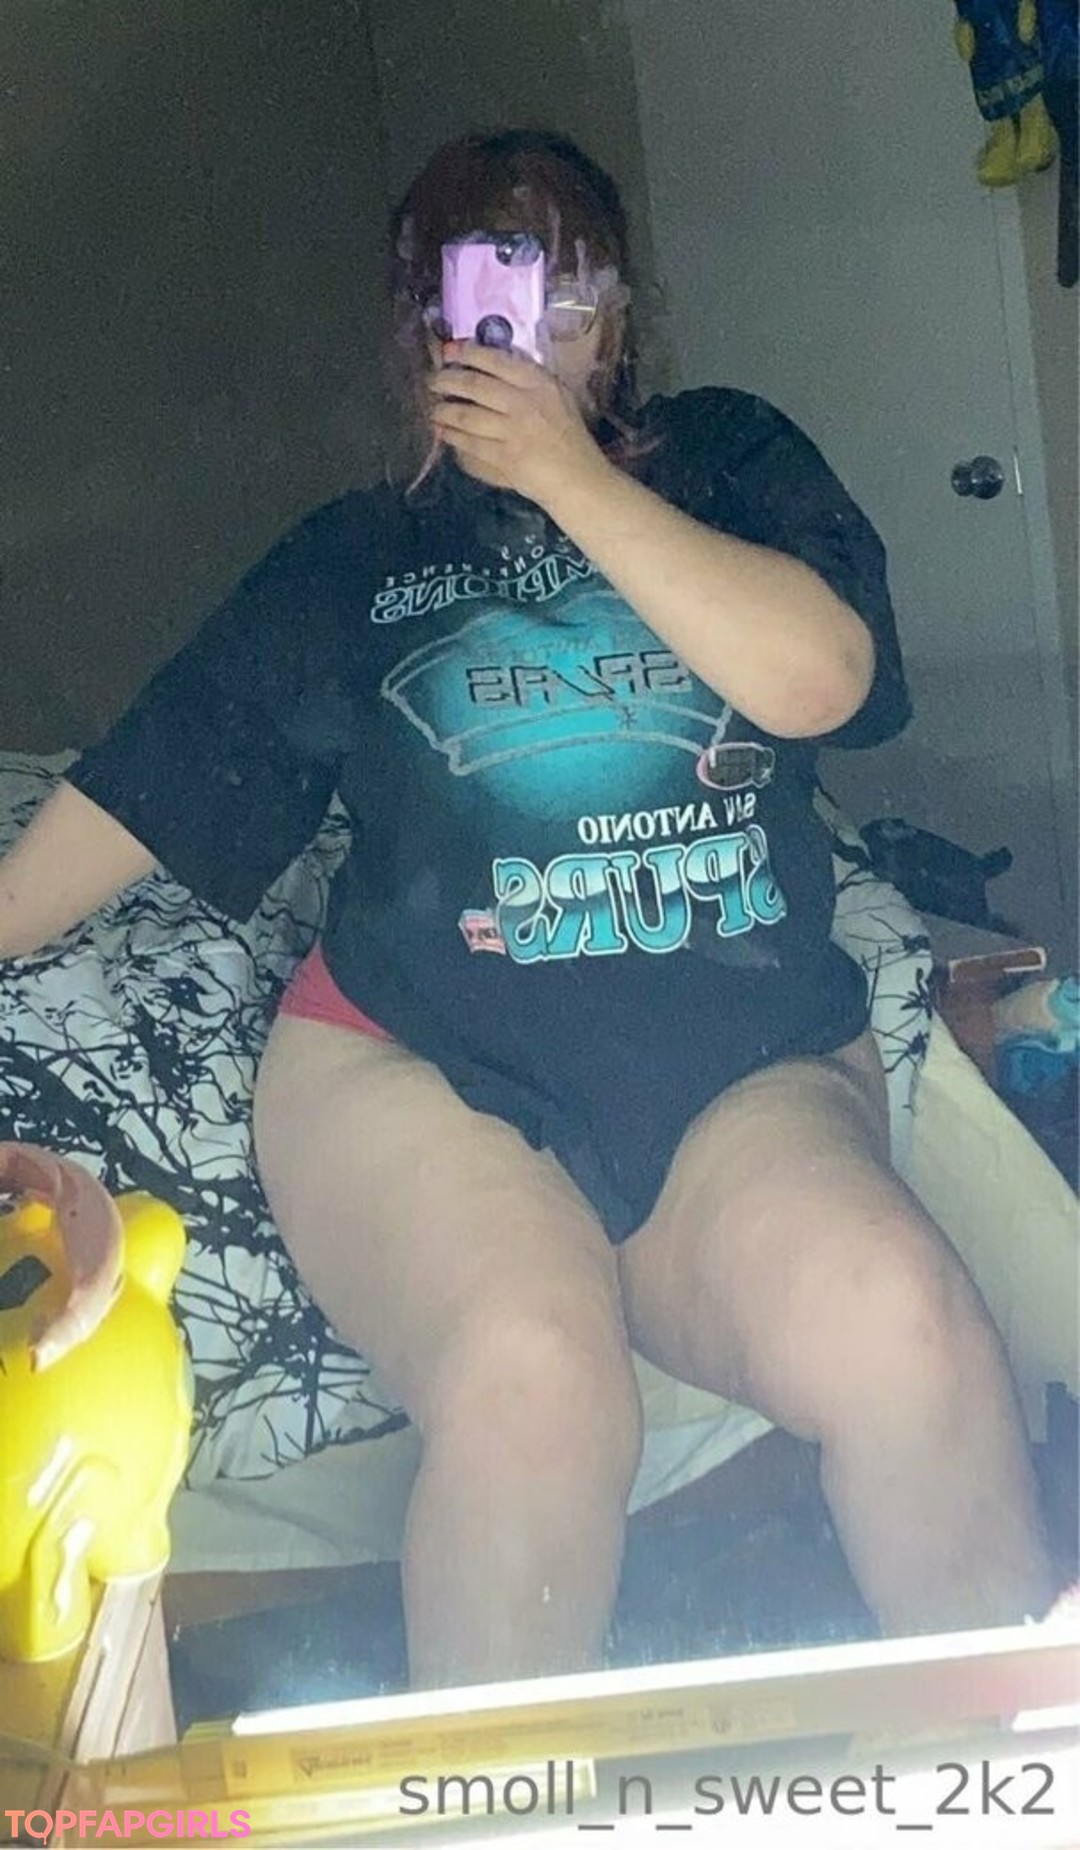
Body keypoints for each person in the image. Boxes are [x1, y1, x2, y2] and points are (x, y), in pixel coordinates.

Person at [0, 129, 1053, 1689]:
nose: (528, 324)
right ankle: (505, 1793)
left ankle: (1013, 1765)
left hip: (738, 1067)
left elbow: (824, 677)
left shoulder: (730, 458)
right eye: (485, 284)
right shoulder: (354, 558)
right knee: (535, 1382)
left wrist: (570, 473)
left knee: (907, 1323)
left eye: (566, 285)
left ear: (617, 316)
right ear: (419, 326)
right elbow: (149, 787)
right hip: (417, 1071)